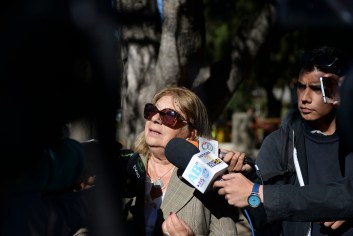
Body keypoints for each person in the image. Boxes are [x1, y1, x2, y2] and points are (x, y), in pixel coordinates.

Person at [214, 46, 353, 236]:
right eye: (300, 86)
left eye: (315, 88)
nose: (304, 98)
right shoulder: (280, 144)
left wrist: (344, 208)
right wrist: (252, 183)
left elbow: (346, 196)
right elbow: (261, 216)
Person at [124, 86, 245, 236]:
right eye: (152, 110)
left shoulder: (209, 179)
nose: (155, 118)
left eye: (168, 115)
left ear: (191, 133)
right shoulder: (125, 167)